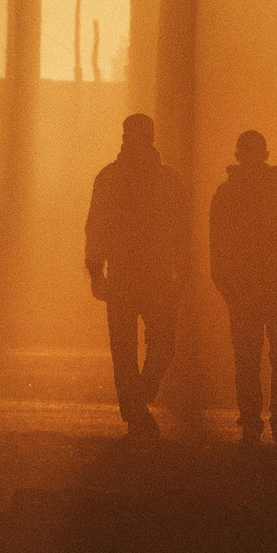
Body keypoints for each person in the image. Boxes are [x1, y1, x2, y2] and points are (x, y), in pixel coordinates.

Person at [85, 112, 188, 439]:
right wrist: (182, 271)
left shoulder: (110, 177)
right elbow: (180, 230)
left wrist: (95, 270)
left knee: (126, 349)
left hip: (126, 273)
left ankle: (135, 406)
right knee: (160, 344)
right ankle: (138, 403)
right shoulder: (167, 179)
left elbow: (96, 227)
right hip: (152, 273)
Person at [210, 128, 277, 445]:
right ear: (266, 154)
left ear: (237, 156)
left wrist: (227, 287)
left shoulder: (226, 195)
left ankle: (252, 420)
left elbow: (218, 249)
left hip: (245, 291)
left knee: (247, 358)